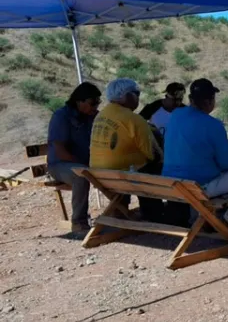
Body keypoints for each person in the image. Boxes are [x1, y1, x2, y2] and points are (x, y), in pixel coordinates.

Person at [162, 79, 228, 234]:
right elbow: (227, 163)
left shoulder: (175, 115)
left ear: (191, 99)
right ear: (208, 102)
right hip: (197, 187)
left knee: (212, 172)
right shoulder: (213, 124)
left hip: (170, 183)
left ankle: (209, 220)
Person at [89, 78, 164, 221]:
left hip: (99, 175)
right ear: (127, 96)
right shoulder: (134, 119)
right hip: (123, 176)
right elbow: (152, 154)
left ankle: (119, 210)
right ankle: (153, 213)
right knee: (155, 166)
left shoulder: (101, 115)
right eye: (137, 93)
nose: (138, 97)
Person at [46, 82, 102, 231]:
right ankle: (78, 222)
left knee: (116, 168)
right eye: (92, 103)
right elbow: (60, 151)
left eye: (98, 102)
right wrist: (85, 166)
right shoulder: (62, 116)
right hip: (60, 164)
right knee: (81, 175)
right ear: (79, 101)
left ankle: (119, 213)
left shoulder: (92, 116)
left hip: (84, 163)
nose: (95, 106)